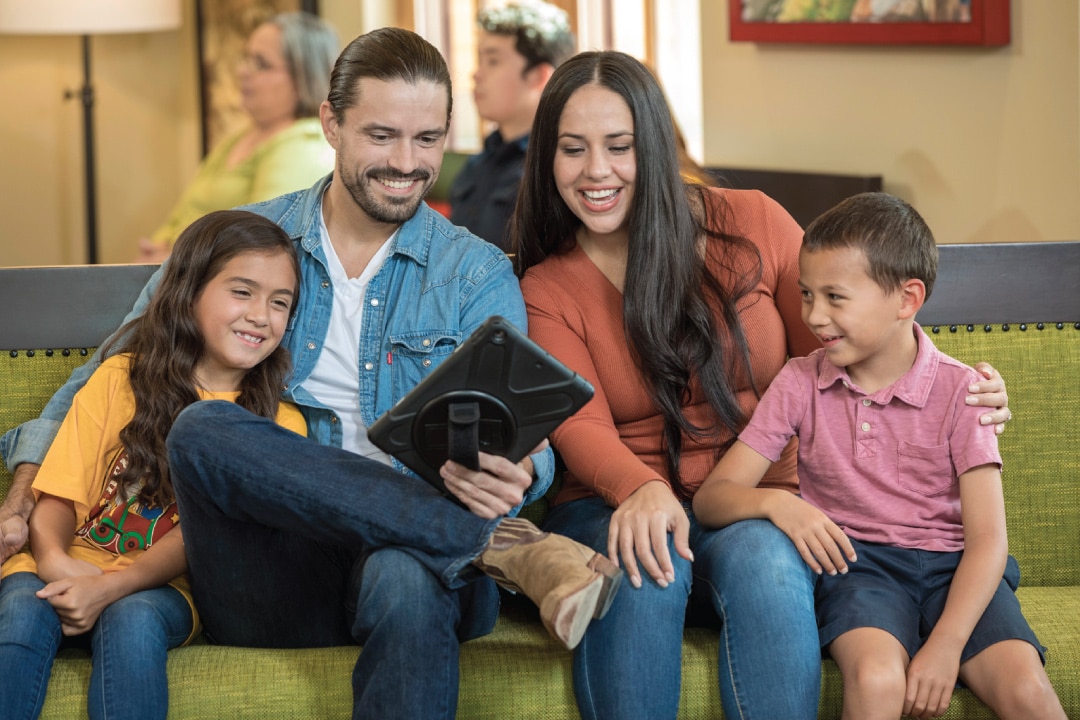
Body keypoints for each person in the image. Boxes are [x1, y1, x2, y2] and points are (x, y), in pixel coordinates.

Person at [0, 28, 620, 720]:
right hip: (271, 571)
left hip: (420, 566)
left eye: (428, 140)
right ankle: (501, 547)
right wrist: (26, 491)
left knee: (403, 569)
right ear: (331, 122)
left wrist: (521, 473)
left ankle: (478, 538)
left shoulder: (475, 272)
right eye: (382, 136)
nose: (407, 165)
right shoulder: (243, 242)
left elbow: (521, 439)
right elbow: (108, 372)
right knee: (204, 425)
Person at [511, 51, 1012, 720]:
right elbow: (582, 426)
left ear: (655, 146)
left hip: (756, 499)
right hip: (613, 503)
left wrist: (958, 388)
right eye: (573, 149)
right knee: (647, 567)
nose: (596, 170)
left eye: (619, 146)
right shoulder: (547, 287)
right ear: (549, 158)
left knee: (771, 568)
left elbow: (852, 342)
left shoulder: (751, 222)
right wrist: (645, 490)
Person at [692, 192, 1065, 720]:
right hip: (859, 570)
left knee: (1027, 691)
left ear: (906, 299)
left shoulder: (966, 391)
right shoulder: (800, 381)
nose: (814, 316)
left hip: (958, 570)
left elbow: (988, 543)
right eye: (805, 294)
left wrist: (944, 647)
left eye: (835, 297)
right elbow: (712, 500)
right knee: (876, 680)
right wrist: (782, 506)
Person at [0, 209, 309, 720]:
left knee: (132, 621)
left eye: (280, 303)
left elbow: (199, 540)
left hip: (168, 589)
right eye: (242, 292)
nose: (262, 315)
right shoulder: (121, 377)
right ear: (189, 292)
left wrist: (109, 586)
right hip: (62, 558)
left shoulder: (279, 423)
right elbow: (58, 494)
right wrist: (54, 561)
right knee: (19, 609)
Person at [136, 11, 339, 262]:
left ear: (303, 77)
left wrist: (173, 257)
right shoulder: (238, 138)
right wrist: (158, 246)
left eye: (261, 64)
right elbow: (183, 213)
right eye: (246, 59)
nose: (243, 71)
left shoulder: (303, 145)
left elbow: (258, 238)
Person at [448, 0, 575, 251]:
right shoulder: (478, 164)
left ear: (540, 76)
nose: (476, 74)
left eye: (493, 61)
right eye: (479, 59)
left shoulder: (557, 168)